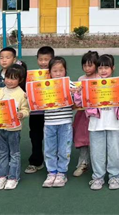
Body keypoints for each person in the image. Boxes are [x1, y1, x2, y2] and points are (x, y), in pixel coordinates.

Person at [75, 54, 119, 191]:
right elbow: (79, 102)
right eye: (100, 68)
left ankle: (115, 176)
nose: (103, 71)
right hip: (95, 125)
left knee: (115, 152)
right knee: (97, 153)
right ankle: (98, 177)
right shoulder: (90, 85)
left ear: (113, 68)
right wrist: (78, 93)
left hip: (114, 124)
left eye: (106, 67)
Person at [0, 65, 30, 190]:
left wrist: (22, 114)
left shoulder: (21, 94)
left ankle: (13, 177)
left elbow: (26, 109)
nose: (9, 81)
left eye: (13, 78)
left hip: (14, 129)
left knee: (14, 153)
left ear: (20, 80)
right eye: (8, 77)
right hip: (0, 128)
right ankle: (1, 176)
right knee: (2, 153)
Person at [42, 57, 76, 188]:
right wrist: (32, 96)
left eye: (61, 70)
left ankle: (62, 173)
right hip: (49, 123)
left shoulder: (70, 85)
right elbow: (36, 100)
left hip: (65, 122)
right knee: (49, 149)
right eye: (55, 71)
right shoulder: (44, 86)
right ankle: (51, 172)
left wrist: (75, 93)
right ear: (50, 72)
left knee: (64, 148)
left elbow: (78, 101)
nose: (58, 73)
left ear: (65, 71)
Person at [25, 46, 55, 174]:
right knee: (36, 137)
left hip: (52, 112)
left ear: (52, 59)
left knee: (52, 138)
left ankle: (53, 163)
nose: (43, 62)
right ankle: (36, 161)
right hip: (36, 112)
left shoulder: (56, 74)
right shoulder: (32, 76)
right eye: (40, 59)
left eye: (46, 59)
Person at [72, 51, 100, 178]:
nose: (87, 68)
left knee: (97, 139)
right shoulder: (80, 80)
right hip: (83, 114)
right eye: (84, 65)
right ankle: (83, 163)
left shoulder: (100, 79)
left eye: (90, 65)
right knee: (82, 138)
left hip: (97, 115)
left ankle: (98, 165)